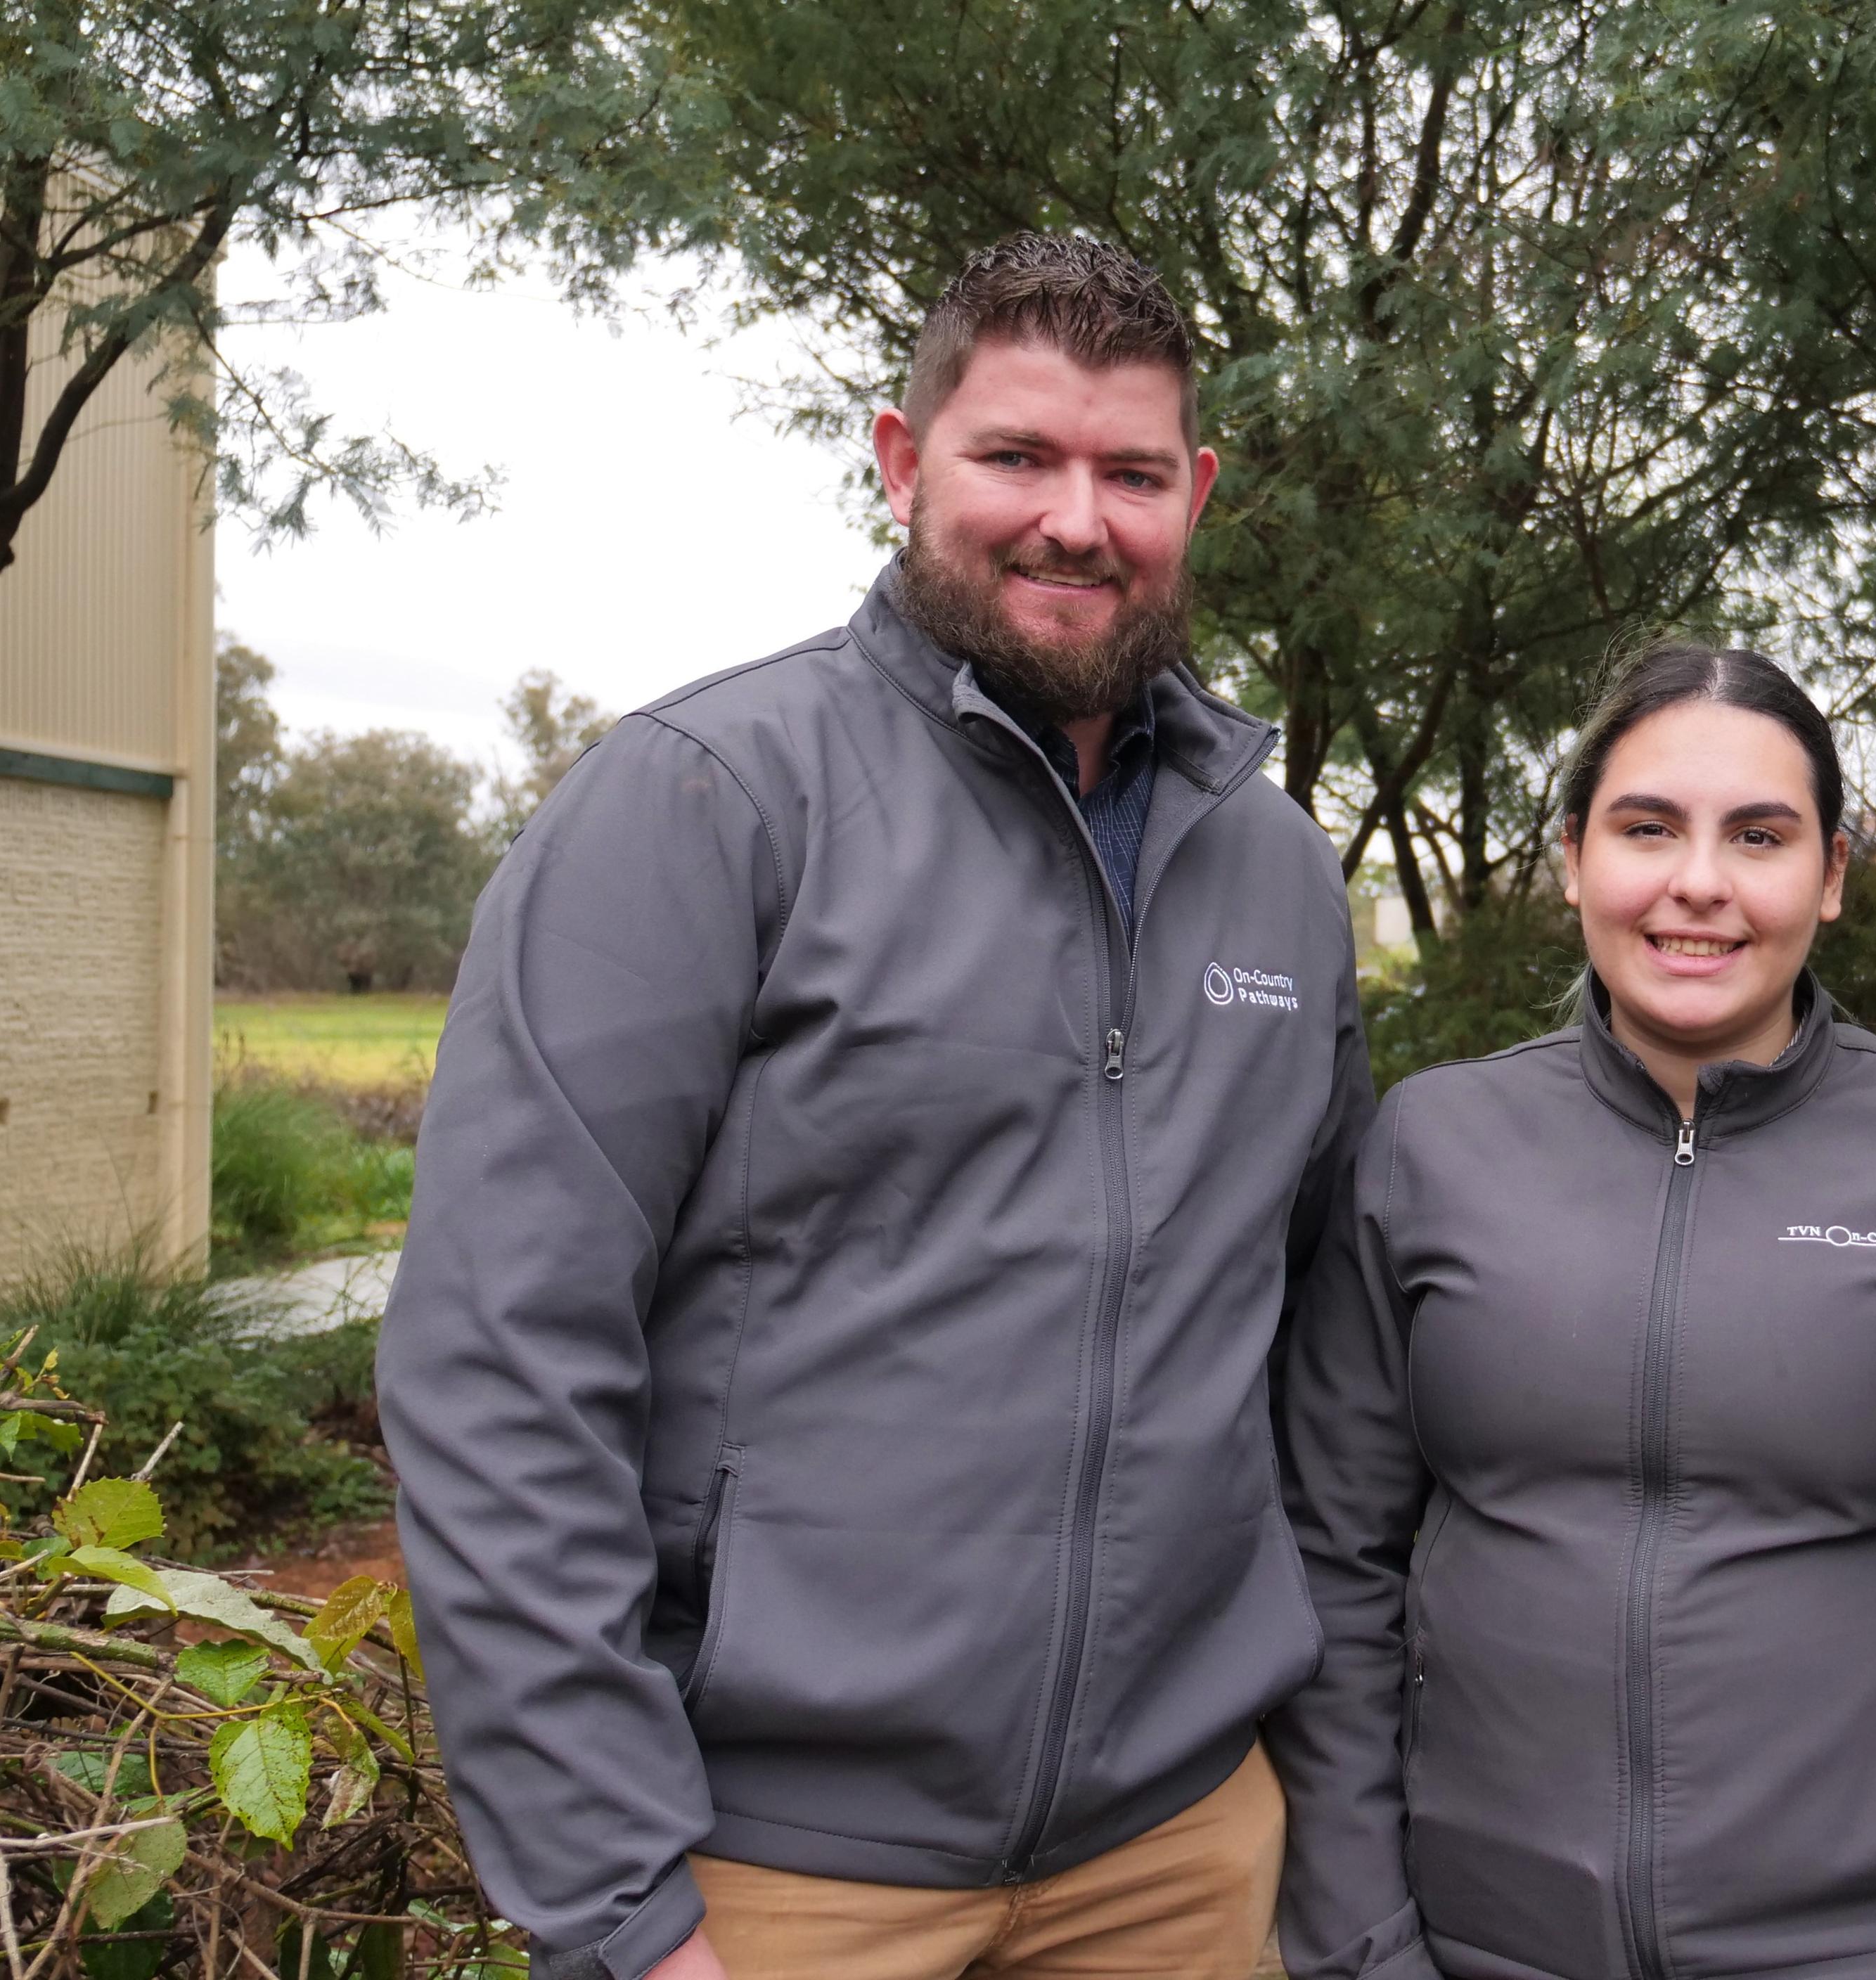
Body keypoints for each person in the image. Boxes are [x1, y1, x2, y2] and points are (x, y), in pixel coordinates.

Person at [380, 233, 1370, 1980]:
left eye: (1131, 472)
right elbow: (498, 1360)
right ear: (904, 463)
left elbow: (1301, 1348)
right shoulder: (705, 802)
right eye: (1016, 457)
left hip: (1181, 1855)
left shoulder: (1278, 875)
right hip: (770, 1873)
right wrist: (613, 1896)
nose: (1078, 517)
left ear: (1193, 493)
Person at [1268, 645, 1876, 1980]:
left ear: (1833, 875)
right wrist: (1363, 1941)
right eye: (1647, 828)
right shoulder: (1428, 1150)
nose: (1700, 884)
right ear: (1572, 858)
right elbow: (1336, 1572)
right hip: (1493, 1940)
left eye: (1760, 835)